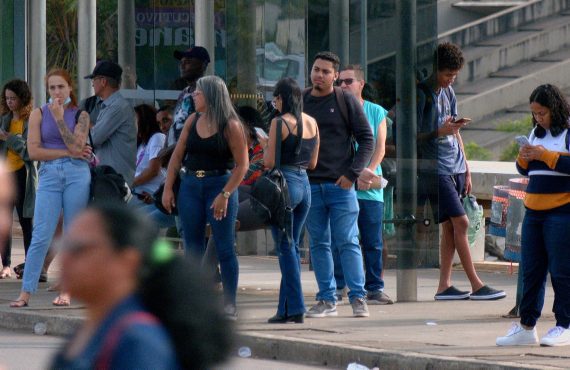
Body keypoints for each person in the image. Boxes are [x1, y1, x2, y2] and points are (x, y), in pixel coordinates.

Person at [50, 203, 232, 369]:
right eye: (64, 245)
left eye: (79, 248)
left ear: (127, 261)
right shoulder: (91, 328)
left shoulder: (136, 342)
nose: (65, 258)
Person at [417, 42, 505, 301]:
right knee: (461, 222)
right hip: (435, 168)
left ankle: (444, 286)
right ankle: (476, 284)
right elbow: (411, 137)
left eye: (453, 75)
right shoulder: (422, 94)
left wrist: (465, 167)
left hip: (454, 165)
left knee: (449, 228)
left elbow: (456, 134)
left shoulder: (449, 92)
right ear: (435, 70)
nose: (449, 80)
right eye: (446, 75)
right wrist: (437, 132)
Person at [162, 76, 249, 319]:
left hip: (219, 184)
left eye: (198, 93)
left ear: (210, 95)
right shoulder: (193, 119)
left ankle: (229, 303)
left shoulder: (230, 125)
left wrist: (225, 194)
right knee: (192, 246)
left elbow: (242, 165)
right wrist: (169, 188)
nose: (193, 96)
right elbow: (177, 156)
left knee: (224, 246)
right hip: (191, 184)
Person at [10, 69, 92, 308]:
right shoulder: (37, 114)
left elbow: (79, 144)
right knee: (41, 233)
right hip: (49, 173)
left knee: (72, 232)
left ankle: (67, 289)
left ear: (70, 89)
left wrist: (58, 118)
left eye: (61, 87)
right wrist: (68, 152)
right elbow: (34, 151)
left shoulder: (81, 115)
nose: (56, 92)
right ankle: (26, 292)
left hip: (77, 174)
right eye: (52, 88)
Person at [496, 84, 570, 347]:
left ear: (555, 109)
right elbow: (525, 170)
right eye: (535, 113)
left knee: (561, 270)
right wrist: (525, 157)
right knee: (532, 271)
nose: (538, 118)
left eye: (542, 113)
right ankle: (527, 325)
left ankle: (565, 324)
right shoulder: (536, 133)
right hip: (534, 212)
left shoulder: (567, 133)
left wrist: (544, 156)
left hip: (562, 211)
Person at [302, 51, 374, 318]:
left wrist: (352, 173)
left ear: (335, 75)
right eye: (316, 69)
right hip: (310, 186)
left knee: (347, 241)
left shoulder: (344, 99)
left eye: (325, 71)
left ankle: (358, 298)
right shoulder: (302, 100)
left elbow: (367, 139)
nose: (319, 75)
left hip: (341, 186)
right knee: (319, 244)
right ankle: (326, 299)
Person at [258, 78, 319, 324]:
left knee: (286, 248)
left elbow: (269, 162)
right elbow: (313, 163)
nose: (275, 104)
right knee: (291, 247)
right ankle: (285, 309)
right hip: (305, 185)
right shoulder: (312, 122)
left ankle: (296, 306)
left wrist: (264, 145)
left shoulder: (278, 122)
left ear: (282, 98)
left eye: (276, 99)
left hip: (284, 186)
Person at [334, 65, 393, 305]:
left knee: (372, 240)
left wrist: (368, 170)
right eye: (340, 82)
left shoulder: (376, 111)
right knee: (341, 238)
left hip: (369, 184)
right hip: (343, 181)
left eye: (349, 81)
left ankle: (374, 288)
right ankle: (339, 285)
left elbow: (380, 146)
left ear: (361, 84)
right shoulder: (335, 109)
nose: (344, 85)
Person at [0, 80, 36, 279]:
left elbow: (30, 151)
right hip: (6, 173)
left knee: (25, 221)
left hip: (23, 174)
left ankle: (30, 264)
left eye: (13, 98)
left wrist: (9, 138)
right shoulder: (4, 119)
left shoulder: (31, 120)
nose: (10, 102)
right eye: (7, 99)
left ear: (23, 98)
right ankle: (5, 264)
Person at [85, 60, 137, 186]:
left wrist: (81, 122)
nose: (92, 84)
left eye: (94, 79)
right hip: (107, 178)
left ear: (103, 81)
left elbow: (94, 138)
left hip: (115, 181)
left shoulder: (118, 107)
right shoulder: (109, 105)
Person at [168, 46, 210, 147]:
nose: (182, 66)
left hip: (192, 156)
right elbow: (175, 124)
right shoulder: (184, 93)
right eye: (181, 63)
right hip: (174, 156)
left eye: (188, 62)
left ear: (203, 65)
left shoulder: (207, 93)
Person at [130, 104, 166, 208]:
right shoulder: (142, 144)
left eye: (135, 121)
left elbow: (153, 171)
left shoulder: (157, 138)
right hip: (138, 191)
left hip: (148, 193)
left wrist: (128, 184)